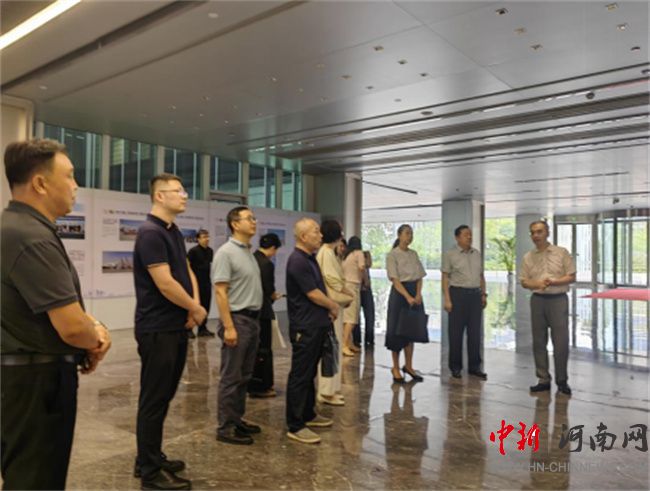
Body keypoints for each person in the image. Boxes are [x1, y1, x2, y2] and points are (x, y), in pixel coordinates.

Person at [1, 139, 111, 490]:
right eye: (70, 176)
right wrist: (96, 338)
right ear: (40, 183)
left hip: (17, 380)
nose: (76, 186)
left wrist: (90, 327)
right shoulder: (31, 237)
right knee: (36, 479)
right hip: (38, 384)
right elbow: (72, 328)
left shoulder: (13, 227)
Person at [133, 173, 206, 490]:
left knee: (163, 396)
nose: (184, 195)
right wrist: (194, 308)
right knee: (154, 399)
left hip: (175, 325)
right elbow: (164, 283)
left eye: (184, 190)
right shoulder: (150, 233)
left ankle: (149, 456)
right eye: (178, 191)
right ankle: (149, 472)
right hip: (157, 328)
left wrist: (194, 304)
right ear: (159, 196)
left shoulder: (172, 230)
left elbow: (185, 270)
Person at [212, 206, 264, 445]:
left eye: (254, 218)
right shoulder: (226, 253)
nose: (254, 222)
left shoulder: (247, 251)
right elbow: (220, 291)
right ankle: (225, 427)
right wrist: (228, 326)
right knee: (231, 377)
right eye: (249, 218)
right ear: (235, 224)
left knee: (244, 376)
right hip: (237, 320)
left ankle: (236, 419)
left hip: (252, 320)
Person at [285, 218, 340, 444]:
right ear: (303, 237)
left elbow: (319, 289)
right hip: (305, 327)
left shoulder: (310, 258)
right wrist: (333, 305)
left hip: (316, 324)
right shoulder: (297, 261)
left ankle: (308, 414)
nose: (320, 235)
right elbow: (312, 293)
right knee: (300, 375)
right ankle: (295, 425)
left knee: (309, 374)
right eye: (316, 232)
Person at [520, 220, 576, 396]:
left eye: (539, 231)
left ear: (547, 232)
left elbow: (571, 276)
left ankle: (562, 381)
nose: (536, 235)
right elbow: (524, 281)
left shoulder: (561, 253)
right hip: (538, 300)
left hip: (558, 300)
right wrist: (537, 284)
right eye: (533, 232)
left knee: (560, 342)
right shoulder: (528, 257)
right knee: (539, 341)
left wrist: (554, 282)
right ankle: (543, 379)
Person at [441, 225, 488, 380]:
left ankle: (475, 367)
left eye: (470, 234)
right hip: (457, 295)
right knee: (456, 333)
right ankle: (455, 367)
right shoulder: (450, 254)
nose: (469, 237)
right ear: (457, 237)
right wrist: (447, 299)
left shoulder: (476, 254)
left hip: (475, 296)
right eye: (466, 234)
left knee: (475, 333)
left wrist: (483, 294)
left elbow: (481, 276)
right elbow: (445, 278)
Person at [316, 220, 353, 405]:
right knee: (330, 348)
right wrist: (347, 292)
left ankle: (332, 388)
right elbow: (332, 279)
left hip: (334, 306)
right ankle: (326, 391)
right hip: (331, 305)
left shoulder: (329, 252)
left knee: (334, 348)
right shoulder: (326, 253)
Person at [385, 224, 426, 383]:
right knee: (396, 332)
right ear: (399, 235)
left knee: (411, 331)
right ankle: (395, 367)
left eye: (411, 233)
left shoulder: (413, 254)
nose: (410, 236)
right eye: (407, 233)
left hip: (414, 293)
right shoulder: (392, 255)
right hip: (400, 294)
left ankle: (409, 366)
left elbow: (419, 276)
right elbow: (395, 280)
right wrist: (407, 297)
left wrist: (418, 294)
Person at [249, 233, 283, 398]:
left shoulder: (251, 258)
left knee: (253, 350)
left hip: (250, 310)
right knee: (264, 350)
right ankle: (263, 386)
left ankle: (251, 383)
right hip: (263, 311)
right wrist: (275, 296)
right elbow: (269, 289)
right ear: (273, 248)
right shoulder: (267, 264)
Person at [187, 229, 215, 338]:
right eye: (204, 237)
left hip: (206, 283)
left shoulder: (210, 251)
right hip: (195, 283)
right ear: (198, 239)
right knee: (193, 306)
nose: (207, 239)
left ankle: (202, 329)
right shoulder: (193, 251)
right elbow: (187, 266)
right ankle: (189, 329)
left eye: (208, 237)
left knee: (206, 305)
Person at [341, 236, 365, 356]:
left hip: (345, 286)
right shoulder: (359, 253)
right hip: (353, 286)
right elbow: (361, 267)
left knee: (346, 317)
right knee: (352, 318)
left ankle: (349, 343)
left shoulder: (346, 255)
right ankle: (344, 345)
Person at [353, 251, 375, 348]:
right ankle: (364, 339)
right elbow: (364, 272)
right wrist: (366, 282)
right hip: (362, 289)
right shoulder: (361, 264)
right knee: (365, 315)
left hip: (361, 290)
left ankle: (360, 339)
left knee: (362, 315)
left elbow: (369, 265)